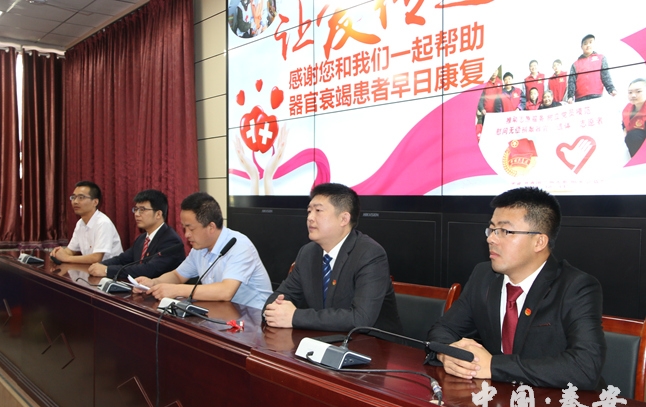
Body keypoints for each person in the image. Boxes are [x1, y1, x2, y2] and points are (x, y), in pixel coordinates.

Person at [426, 187, 606, 390]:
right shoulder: (483, 276)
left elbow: (585, 366)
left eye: (504, 231)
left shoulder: (576, 287)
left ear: (539, 241)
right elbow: (443, 329)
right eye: (491, 229)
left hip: (560, 403)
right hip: (499, 399)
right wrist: (446, 354)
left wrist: (494, 366)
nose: (491, 239)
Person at [262, 183, 401, 332]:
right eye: (309, 211)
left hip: (373, 343)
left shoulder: (369, 254)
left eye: (318, 211)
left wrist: (295, 316)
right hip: (325, 338)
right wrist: (275, 311)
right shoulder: (308, 253)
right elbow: (278, 298)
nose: (310, 218)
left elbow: (360, 319)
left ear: (343, 219)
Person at [135, 192, 272, 309]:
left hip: (255, 318)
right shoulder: (199, 247)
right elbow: (178, 276)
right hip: (222, 312)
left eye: (191, 228)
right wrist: (154, 283)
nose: (186, 234)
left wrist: (177, 290)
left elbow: (225, 291)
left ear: (211, 227)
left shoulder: (239, 245)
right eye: (184, 228)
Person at [87, 189, 185, 279]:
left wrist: (107, 270)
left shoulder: (171, 241)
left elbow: (148, 270)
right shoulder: (142, 238)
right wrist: (100, 265)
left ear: (158, 214)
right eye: (136, 209)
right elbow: (122, 259)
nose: (137, 214)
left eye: (142, 210)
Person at [51, 181, 123, 264]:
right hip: (92, 269)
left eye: (81, 197)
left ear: (95, 202)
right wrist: (57, 253)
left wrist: (66, 258)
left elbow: (96, 258)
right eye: (73, 197)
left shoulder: (103, 223)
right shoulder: (80, 223)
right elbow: (70, 251)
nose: (75, 201)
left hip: (110, 270)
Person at [567, 34, 617, 103]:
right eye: (585, 43)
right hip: (580, 99)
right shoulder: (575, 64)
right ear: (581, 47)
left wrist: (611, 89)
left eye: (590, 42)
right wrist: (570, 96)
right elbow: (571, 82)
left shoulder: (601, 58)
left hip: (596, 96)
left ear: (594, 44)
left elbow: (606, 76)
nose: (588, 45)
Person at [622, 78, 646, 157]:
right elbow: (624, 126)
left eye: (638, 91)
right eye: (630, 92)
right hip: (634, 145)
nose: (633, 95)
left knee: (634, 136)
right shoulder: (627, 108)